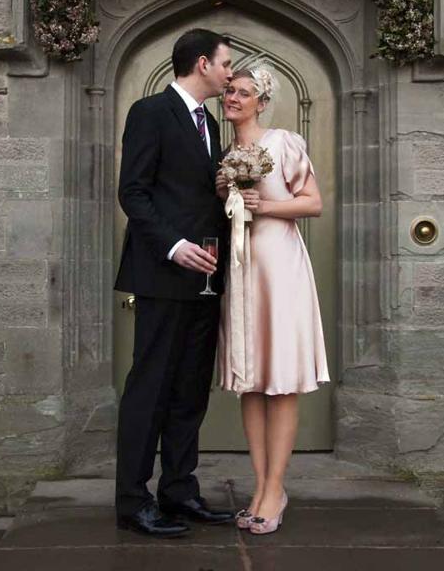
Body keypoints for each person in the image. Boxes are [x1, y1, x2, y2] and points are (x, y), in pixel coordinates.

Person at [114, 28, 234, 537]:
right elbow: (133, 194)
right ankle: (132, 501)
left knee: (190, 391)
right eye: (226, 64)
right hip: (163, 276)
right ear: (202, 63)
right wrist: (172, 246)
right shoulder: (149, 113)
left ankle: (179, 491)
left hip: (206, 282)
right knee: (151, 389)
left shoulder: (209, 122)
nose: (230, 73)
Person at [217, 63, 329, 535]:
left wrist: (267, 206)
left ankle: (276, 488)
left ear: (262, 102)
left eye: (244, 93)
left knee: (280, 378)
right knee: (252, 379)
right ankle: (260, 485)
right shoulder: (226, 153)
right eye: (230, 92)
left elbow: (313, 202)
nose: (234, 99)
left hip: (280, 266)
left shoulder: (282, 142)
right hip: (242, 270)